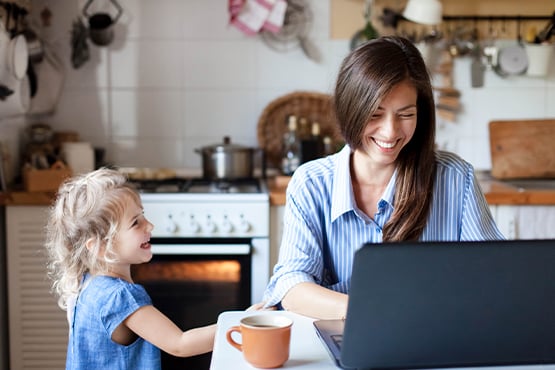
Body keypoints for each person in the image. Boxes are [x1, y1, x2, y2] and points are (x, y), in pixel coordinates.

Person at [262, 35, 504, 320]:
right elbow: (292, 286)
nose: (390, 132)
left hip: (435, 340)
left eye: (406, 114)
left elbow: (493, 276)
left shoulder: (455, 179)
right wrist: (374, 310)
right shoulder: (311, 183)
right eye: (375, 114)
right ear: (350, 109)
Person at [45, 168, 216, 370]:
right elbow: (179, 344)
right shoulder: (120, 298)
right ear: (100, 246)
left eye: (142, 215)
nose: (149, 225)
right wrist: (240, 324)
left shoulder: (86, 284)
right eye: (136, 223)